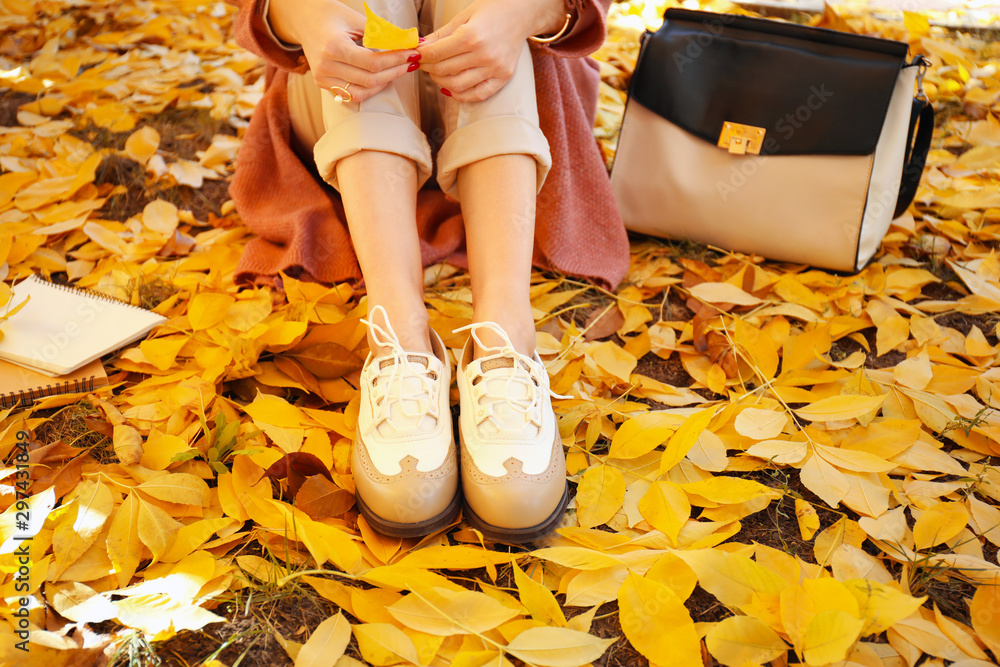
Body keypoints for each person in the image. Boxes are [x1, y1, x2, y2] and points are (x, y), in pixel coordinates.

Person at [227, 0, 630, 542]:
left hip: (521, 81)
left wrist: (526, 11)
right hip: (336, 101)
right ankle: (399, 337)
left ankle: (505, 340)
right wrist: (302, 14)